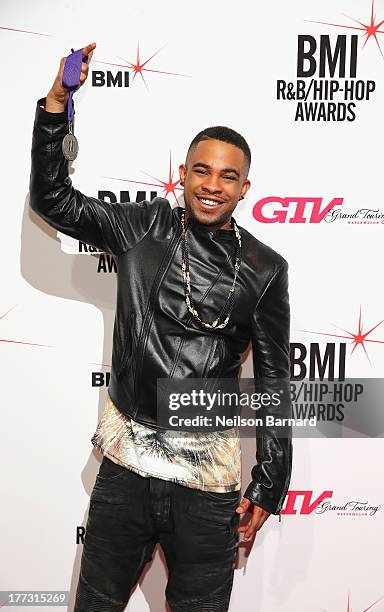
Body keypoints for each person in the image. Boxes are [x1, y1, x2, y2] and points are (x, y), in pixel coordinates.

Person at [29, 42, 293, 612]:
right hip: (127, 465)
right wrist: (56, 107)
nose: (212, 185)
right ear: (182, 174)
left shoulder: (267, 269)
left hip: (206, 482)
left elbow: (274, 383)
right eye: (202, 170)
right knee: (95, 604)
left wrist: (270, 482)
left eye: (228, 177)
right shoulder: (141, 227)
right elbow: (52, 198)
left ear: (245, 188)